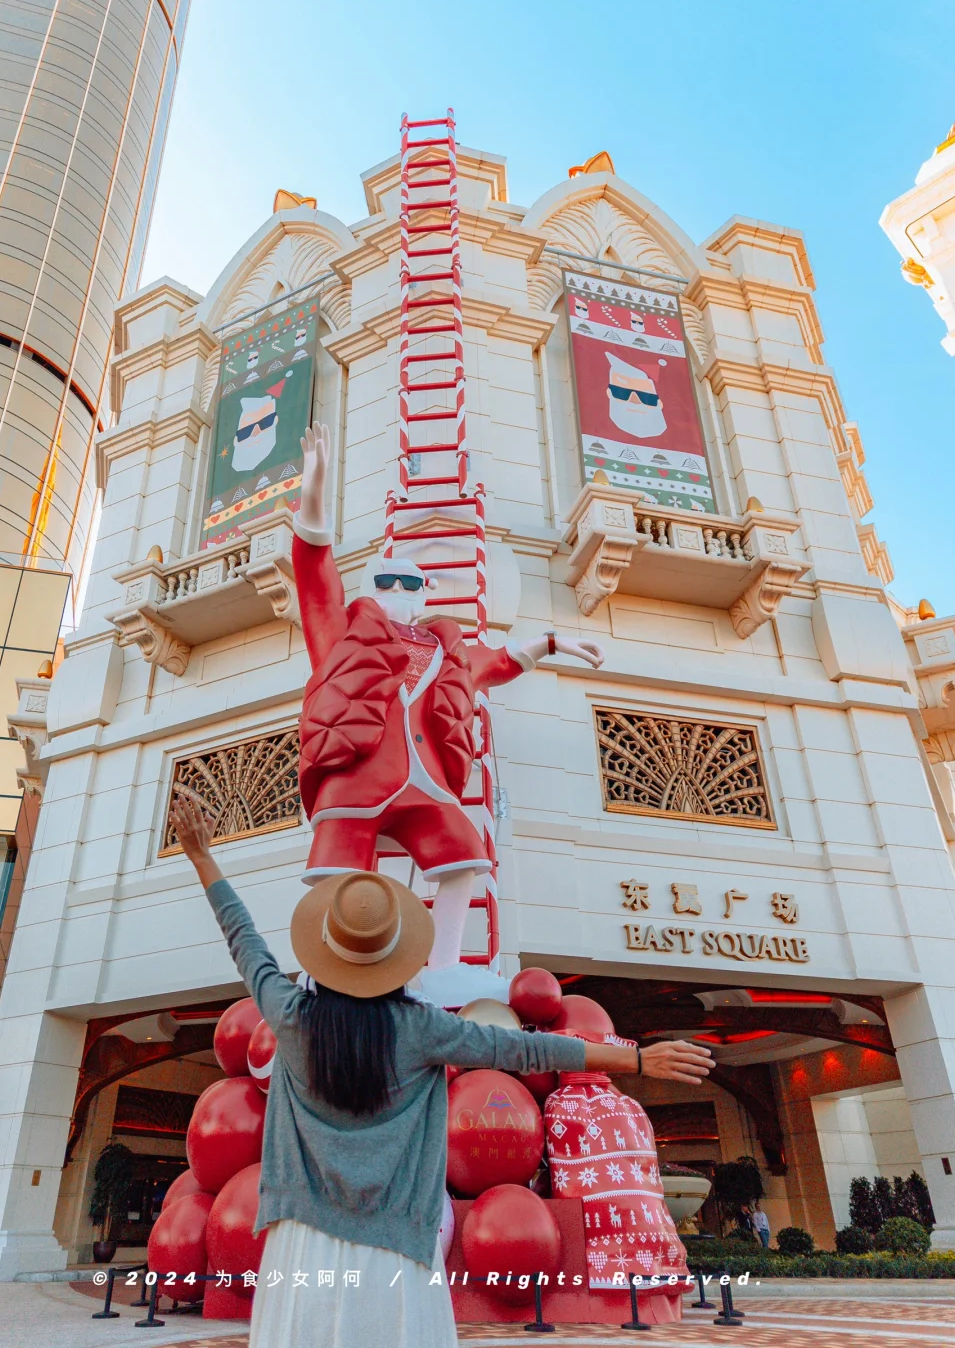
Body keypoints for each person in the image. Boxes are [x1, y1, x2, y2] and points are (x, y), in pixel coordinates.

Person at [171, 795, 713, 1348]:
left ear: (326, 951)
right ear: (395, 956)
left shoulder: (289, 1016)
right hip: (398, 1240)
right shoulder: (422, 1029)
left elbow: (245, 942)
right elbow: (529, 1051)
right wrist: (637, 1059)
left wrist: (202, 856)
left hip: (302, 1239)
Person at [291, 421, 605, 1007]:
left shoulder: (446, 649)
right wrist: (313, 490)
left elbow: (499, 660)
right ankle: (329, 967)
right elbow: (314, 573)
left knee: (463, 853)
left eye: (408, 581)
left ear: (424, 591)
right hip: (355, 780)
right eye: (385, 580)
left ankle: (444, 967)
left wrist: (551, 642)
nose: (396, 589)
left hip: (425, 785)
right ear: (369, 586)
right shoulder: (340, 636)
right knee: (339, 871)